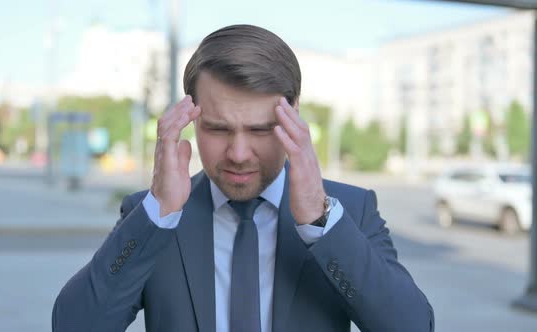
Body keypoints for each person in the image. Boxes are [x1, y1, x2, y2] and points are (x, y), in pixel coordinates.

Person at [52, 24, 434, 332]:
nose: (237, 153)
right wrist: (157, 213)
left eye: (260, 130)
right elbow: (73, 325)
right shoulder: (153, 216)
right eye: (218, 129)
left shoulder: (349, 211)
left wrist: (320, 221)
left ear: (294, 113)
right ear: (191, 117)